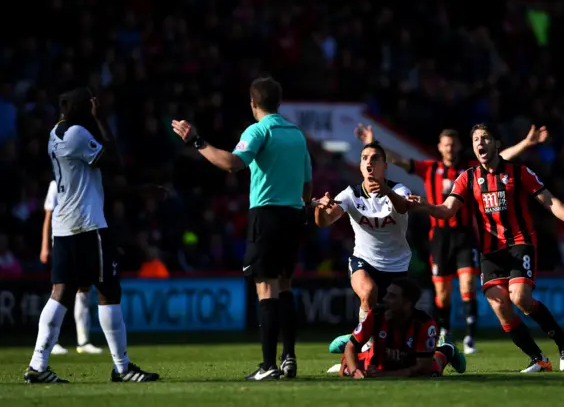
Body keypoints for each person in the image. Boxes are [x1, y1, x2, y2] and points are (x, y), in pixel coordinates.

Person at [407, 123, 564, 373]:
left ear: (497, 143)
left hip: (520, 242)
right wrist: (424, 205)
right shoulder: (468, 177)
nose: (480, 143)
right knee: (500, 306)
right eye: (476, 139)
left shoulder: (520, 173)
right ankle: (538, 359)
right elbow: (446, 210)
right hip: (490, 251)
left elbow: (550, 202)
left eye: (485, 138)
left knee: (520, 298)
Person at [355, 124, 547, 354]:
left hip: (465, 235)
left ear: (458, 146)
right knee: (442, 295)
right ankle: (445, 331)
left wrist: (526, 143)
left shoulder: (471, 169)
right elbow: (399, 160)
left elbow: (502, 157)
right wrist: (375, 142)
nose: (449, 147)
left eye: (453, 143)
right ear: (439, 147)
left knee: (467, 285)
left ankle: (470, 337)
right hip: (439, 237)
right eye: (445, 144)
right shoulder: (430, 168)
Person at [171, 76, 312, 381]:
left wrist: (197, 141)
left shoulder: (259, 130)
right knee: (286, 284)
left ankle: (268, 365)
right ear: (279, 101)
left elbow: (232, 163)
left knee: (266, 287)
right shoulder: (297, 134)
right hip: (294, 215)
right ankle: (289, 357)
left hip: (267, 216)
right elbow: (307, 185)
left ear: (252, 103)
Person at [25, 87, 159, 383]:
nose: (92, 109)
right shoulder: (76, 134)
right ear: (79, 109)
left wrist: (139, 191)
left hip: (65, 226)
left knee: (59, 293)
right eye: (88, 106)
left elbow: (93, 183)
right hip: (88, 226)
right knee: (109, 292)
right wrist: (103, 120)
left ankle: (37, 365)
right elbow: (116, 162)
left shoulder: (54, 134)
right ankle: (122, 368)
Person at [313, 141, 413, 356]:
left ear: (385, 166)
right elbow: (324, 221)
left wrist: (385, 190)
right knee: (368, 292)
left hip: (397, 266)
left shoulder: (399, 189)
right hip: (364, 260)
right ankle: (363, 347)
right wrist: (321, 208)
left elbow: (403, 207)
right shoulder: (351, 194)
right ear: (360, 166)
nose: (369, 162)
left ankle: (445, 349)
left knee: (397, 332)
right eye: (365, 158)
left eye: (375, 158)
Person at [339, 278, 466, 379]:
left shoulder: (424, 323)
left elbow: (424, 366)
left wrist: (386, 375)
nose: (385, 299)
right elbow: (350, 347)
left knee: (432, 372)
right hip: (377, 363)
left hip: (411, 364)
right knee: (346, 367)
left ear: (407, 304)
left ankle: (447, 349)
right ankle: (355, 336)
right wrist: (355, 371)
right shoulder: (376, 315)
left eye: (392, 296)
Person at [41, 180, 103, 356]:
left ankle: (83, 341)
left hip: (83, 241)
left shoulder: (84, 182)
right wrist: (45, 246)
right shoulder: (56, 183)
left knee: (83, 292)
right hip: (62, 243)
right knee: (58, 293)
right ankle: (51, 341)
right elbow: (48, 217)